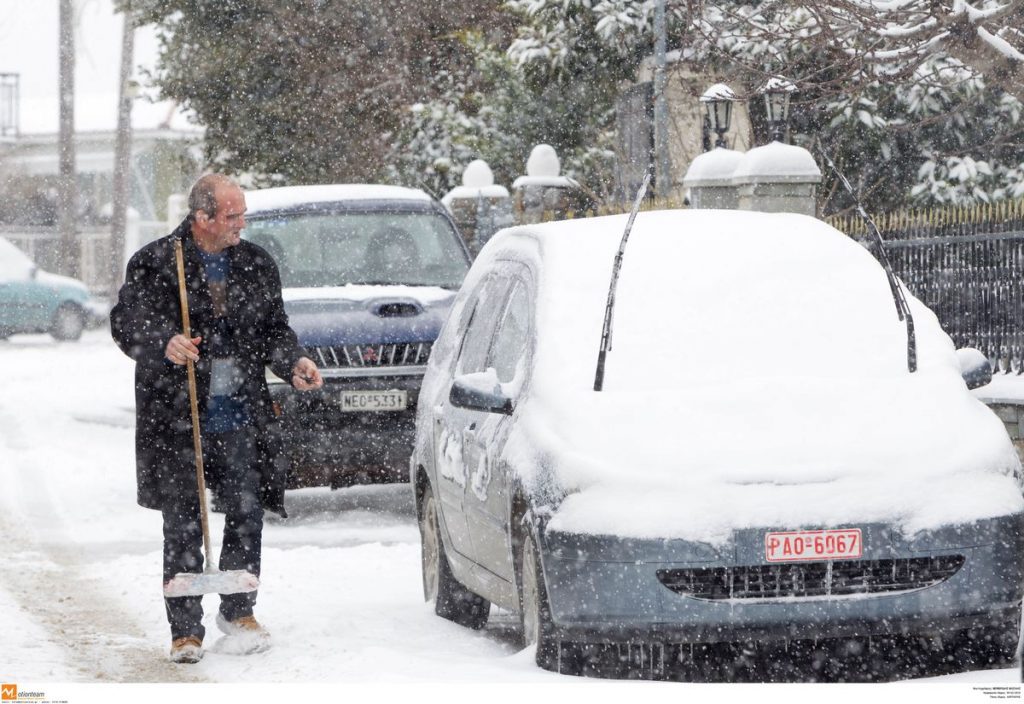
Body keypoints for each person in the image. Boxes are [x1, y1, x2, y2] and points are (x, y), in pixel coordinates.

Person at [110, 174, 323, 663]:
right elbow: (127, 321)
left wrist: (293, 362)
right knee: (183, 517)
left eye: (242, 214)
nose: (241, 224)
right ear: (202, 218)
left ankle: (239, 608)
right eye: (232, 216)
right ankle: (185, 629)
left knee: (246, 510)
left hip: (241, 412)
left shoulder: (255, 264)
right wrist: (165, 340)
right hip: (178, 414)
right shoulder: (157, 263)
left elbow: (274, 328)